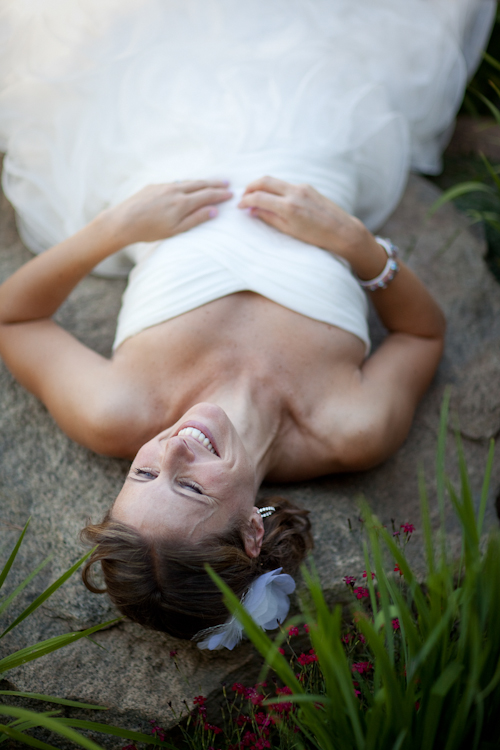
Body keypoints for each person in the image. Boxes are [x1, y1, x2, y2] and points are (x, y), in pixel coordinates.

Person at [0, 0, 495, 648]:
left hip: (150, 131)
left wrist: (115, 228)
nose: (170, 447)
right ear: (251, 529)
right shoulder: (348, 428)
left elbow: (15, 319)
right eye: (189, 485)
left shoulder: (118, 411)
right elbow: (422, 335)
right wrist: (353, 243)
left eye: (143, 475)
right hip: (319, 121)